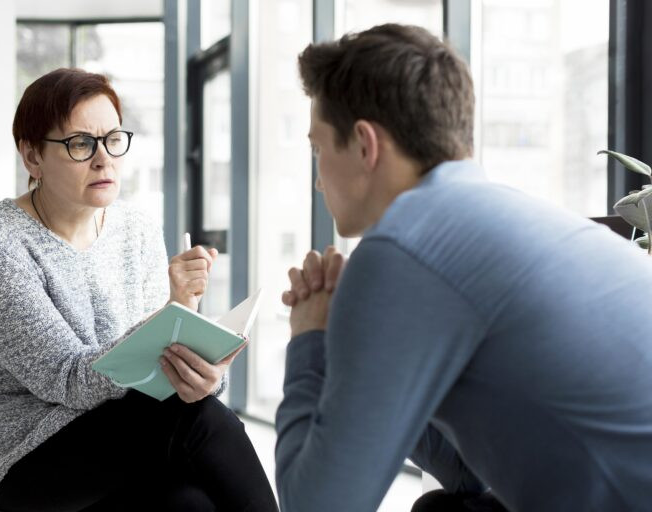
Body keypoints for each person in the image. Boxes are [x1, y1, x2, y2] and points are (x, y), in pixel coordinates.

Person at [275, 23, 652, 512]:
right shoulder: (500, 216)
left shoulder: (403, 248)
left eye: (318, 149)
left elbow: (318, 506)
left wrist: (310, 341)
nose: (318, 181)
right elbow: (468, 474)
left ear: (365, 145)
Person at [0, 68, 278, 512]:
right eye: (80, 144)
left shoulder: (134, 228)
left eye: (113, 139)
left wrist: (202, 364)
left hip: (112, 435)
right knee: (198, 420)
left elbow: (154, 371)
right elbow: (68, 381)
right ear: (32, 157)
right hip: (11, 455)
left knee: (191, 504)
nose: (104, 159)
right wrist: (169, 319)